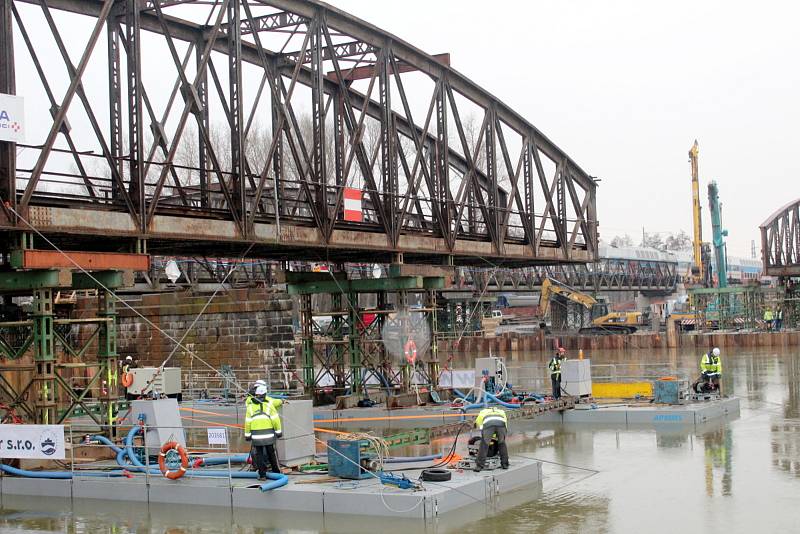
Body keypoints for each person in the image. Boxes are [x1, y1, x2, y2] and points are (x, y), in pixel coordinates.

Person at [244, 384, 283, 480]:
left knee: (259, 455)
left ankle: (262, 475)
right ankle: (276, 472)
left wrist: (247, 435)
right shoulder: (269, 405)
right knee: (271, 453)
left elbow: (248, 422)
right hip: (269, 435)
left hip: (256, 436)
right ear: (265, 394)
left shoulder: (250, 407)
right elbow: (275, 419)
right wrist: (278, 432)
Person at [473, 406, 509, 472]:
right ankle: (505, 464)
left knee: (484, 445)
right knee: (502, 443)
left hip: (488, 425)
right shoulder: (501, 411)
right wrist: (498, 435)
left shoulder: (483, 411)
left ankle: (479, 466)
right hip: (501, 425)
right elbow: (505, 423)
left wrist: (485, 434)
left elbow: (479, 422)